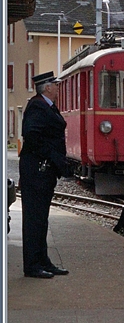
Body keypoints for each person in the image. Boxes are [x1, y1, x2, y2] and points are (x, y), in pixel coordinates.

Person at [19, 72, 72, 278]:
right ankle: (32, 265)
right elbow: (31, 135)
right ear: (47, 87)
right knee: (34, 219)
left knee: (41, 219)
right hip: (37, 170)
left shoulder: (46, 105)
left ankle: (42, 260)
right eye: (55, 85)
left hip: (43, 170)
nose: (58, 87)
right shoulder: (37, 106)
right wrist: (53, 156)